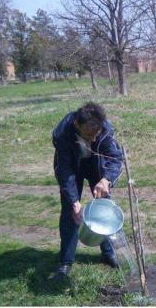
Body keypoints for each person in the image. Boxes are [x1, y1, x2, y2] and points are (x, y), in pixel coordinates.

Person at [52, 102, 123, 281]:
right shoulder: (63, 134)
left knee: (104, 207)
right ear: (77, 124)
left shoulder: (105, 131)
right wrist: (74, 201)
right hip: (72, 167)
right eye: (89, 134)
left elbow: (115, 158)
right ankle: (66, 262)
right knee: (70, 211)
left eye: (96, 134)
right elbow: (65, 170)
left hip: (95, 166)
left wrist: (106, 180)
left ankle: (108, 254)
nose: (93, 139)